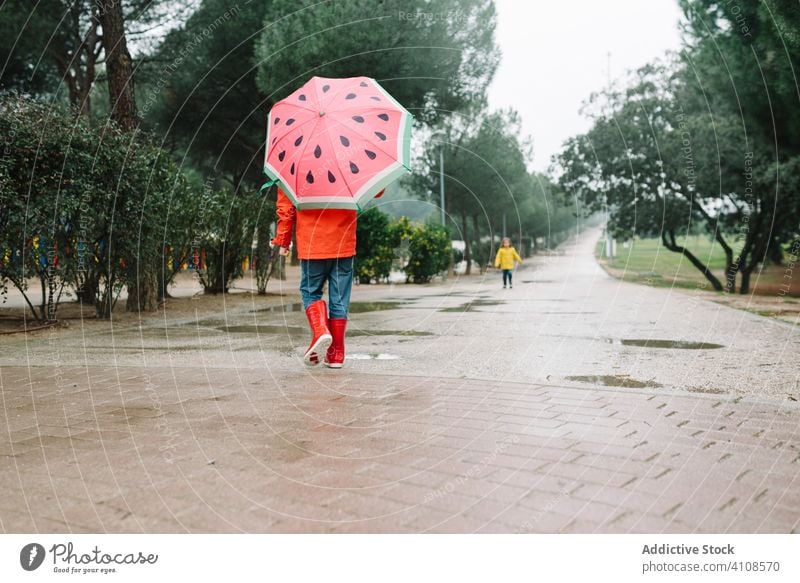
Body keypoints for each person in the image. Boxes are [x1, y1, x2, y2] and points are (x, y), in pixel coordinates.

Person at [270, 188, 382, 368]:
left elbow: (286, 206)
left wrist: (283, 239)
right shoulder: (349, 160)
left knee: (310, 292)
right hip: (343, 242)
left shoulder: (294, 164)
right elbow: (375, 189)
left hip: (312, 242)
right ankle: (336, 354)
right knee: (339, 298)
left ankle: (320, 329)